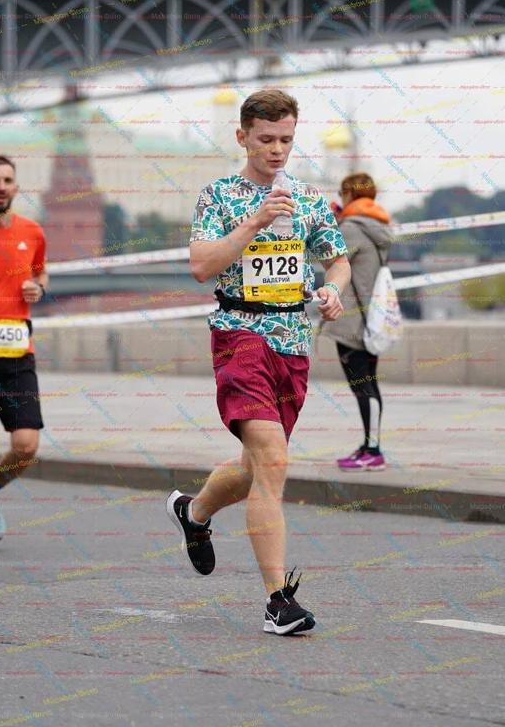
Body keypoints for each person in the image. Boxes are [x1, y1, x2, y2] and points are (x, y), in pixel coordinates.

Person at [166, 89, 350, 635]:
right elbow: (202, 266)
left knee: (255, 469)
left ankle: (194, 512)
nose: (277, 149)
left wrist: (333, 291)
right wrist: (254, 221)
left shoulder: (309, 198)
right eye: (266, 139)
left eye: (286, 140)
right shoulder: (219, 195)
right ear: (242, 136)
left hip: (293, 341)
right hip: (240, 333)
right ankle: (278, 602)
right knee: (272, 458)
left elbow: (337, 260)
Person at [0, 156, 48, 551]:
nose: (0, 186)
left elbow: (40, 270)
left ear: (15, 187)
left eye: (6, 180)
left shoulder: (32, 231)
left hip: (17, 350)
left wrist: (39, 287)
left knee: (26, 446)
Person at [322, 172, 392, 471]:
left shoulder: (351, 228)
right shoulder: (376, 226)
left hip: (353, 323)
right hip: (370, 319)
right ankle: (368, 447)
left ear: (350, 194)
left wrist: (330, 224)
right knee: (369, 384)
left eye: (343, 193)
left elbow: (329, 260)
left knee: (362, 387)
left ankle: (373, 450)